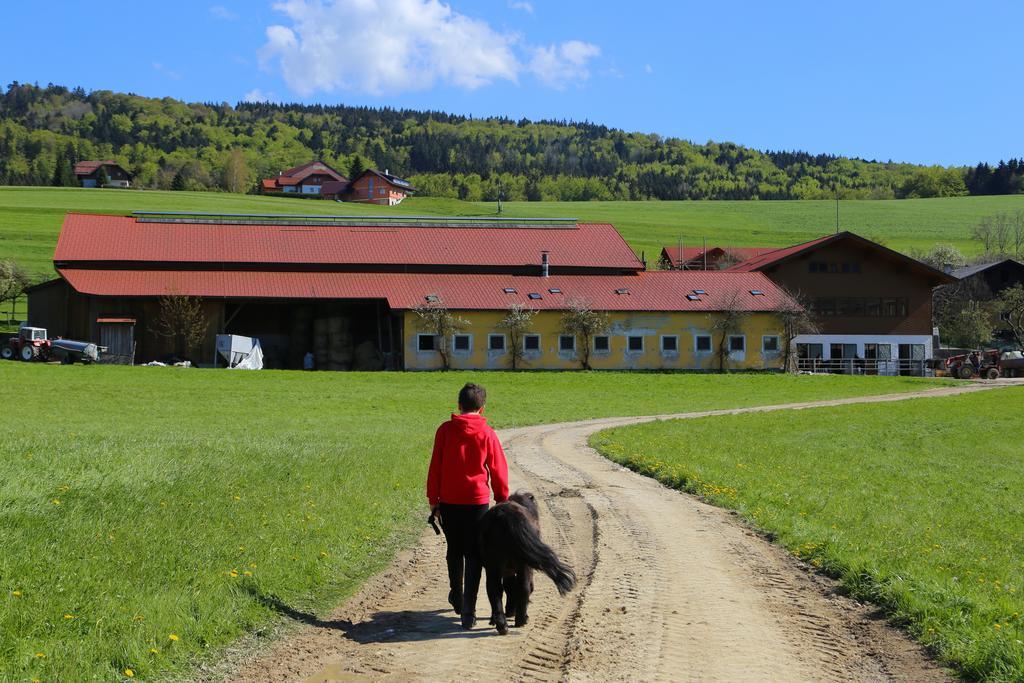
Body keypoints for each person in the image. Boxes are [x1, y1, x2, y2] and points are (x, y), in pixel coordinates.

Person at [426, 382, 509, 629]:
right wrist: (502, 499)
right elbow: (498, 470)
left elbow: (435, 468)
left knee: (454, 549)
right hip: (478, 502)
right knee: (474, 554)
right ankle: (469, 613)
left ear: (459, 405)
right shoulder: (488, 433)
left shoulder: (445, 431)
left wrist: (434, 501)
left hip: (449, 501)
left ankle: (457, 595)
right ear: (482, 408)